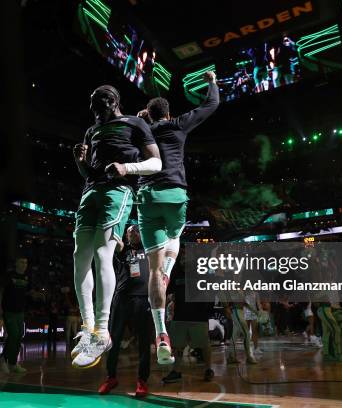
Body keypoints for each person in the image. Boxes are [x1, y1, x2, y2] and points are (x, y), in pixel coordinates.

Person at [71, 84, 161, 369]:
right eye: (91, 105)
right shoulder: (91, 131)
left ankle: (102, 331)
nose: (93, 110)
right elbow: (88, 172)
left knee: (102, 253)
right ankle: (87, 328)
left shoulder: (134, 124)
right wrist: (80, 163)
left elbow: (156, 162)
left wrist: (127, 168)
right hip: (90, 191)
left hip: (118, 191)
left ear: (111, 101)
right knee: (79, 256)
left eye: (97, 104)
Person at [137, 71, 219, 365]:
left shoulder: (141, 130)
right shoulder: (177, 124)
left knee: (153, 270)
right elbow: (211, 105)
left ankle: (161, 335)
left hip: (146, 197)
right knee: (175, 238)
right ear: (168, 113)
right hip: (174, 195)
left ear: (149, 114)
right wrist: (211, 80)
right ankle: (167, 272)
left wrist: (143, 121)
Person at [99, 225, 153, 398]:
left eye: (136, 230)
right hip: (122, 298)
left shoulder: (150, 250)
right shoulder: (123, 250)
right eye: (129, 232)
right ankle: (111, 377)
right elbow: (117, 242)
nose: (132, 233)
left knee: (144, 342)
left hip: (143, 298)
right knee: (113, 339)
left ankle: (142, 381)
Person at [162, 252, 215, 383]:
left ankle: (208, 369)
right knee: (177, 346)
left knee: (204, 344)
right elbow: (169, 292)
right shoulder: (176, 274)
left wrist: (207, 311)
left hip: (198, 317)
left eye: (187, 257)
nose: (184, 259)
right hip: (180, 316)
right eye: (182, 257)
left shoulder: (201, 273)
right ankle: (176, 371)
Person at [0, 257, 29, 374]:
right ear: (16, 263)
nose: (24, 264)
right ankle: (2, 360)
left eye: (26, 262)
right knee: (13, 335)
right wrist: (0, 310)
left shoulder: (26, 277)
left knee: (19, 336)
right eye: (21, 262)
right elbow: (1, 292)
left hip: (20, 312)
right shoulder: (8, 276)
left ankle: (12, 363)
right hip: (9, 311)